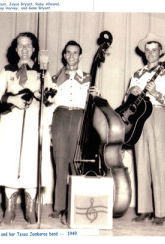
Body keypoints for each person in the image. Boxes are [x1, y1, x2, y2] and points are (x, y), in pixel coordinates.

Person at [0, 32, 51, 225]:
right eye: (20, 45)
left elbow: (52, 96)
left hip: (33, 120)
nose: (24, 49)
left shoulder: (42, 72)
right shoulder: (7, 70)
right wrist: (12, 98)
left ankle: (30, 210)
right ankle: (9, 211)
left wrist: (41, 94)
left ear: (34, 49)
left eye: (28, 45)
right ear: (16, 49)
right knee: (10, 161)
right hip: (11, 121)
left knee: (31, 163)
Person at [126, 33, 165, 225]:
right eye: (147, 50)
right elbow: (127, 102)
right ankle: (144, 210)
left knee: (158, 162)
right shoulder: (137, 74)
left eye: (154, 50)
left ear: (160, 52)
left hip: (157, 114)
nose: (150, 53)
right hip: (139, 118)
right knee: (141, 161)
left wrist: (155, 92)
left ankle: (161, 212)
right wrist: (132, 92)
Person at [47, 40, 100, 219]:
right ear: (64, 55)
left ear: (80, 56)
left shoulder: (88, 78)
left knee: (77, 161)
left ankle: (79, 204)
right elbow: (48, 104)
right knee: (60, 161)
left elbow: (94, 104)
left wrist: (97, 96)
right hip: (60, 116)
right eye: (68, 52)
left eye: (75, 53)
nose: (71, 56)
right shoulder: (54, 79)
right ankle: (59, 206)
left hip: (80, 117)